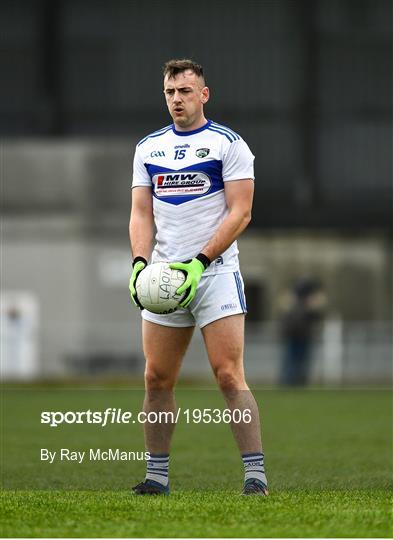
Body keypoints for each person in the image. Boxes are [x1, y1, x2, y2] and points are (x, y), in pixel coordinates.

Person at [128, 59, 268, 496]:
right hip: (166, 274)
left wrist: (201, 261)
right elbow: (140, 213)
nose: (177, 100)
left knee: (228, 374)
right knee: (156, 378)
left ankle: (255, 477)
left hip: (215, 274)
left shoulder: (229, 144)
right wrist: (138, 264)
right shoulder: (148, 148)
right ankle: (156, 478)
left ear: (203, 94)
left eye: (185, 91)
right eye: (170, 92)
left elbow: (240, 212)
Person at [278, 278, 327, 385]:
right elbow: (287, 319)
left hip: (304, 336)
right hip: (293, 336)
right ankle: (289, 382)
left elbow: (316, 317)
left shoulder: (307, 305)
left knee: (301, 361)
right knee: (292, 361)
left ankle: (298, 382)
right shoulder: (293, 304)